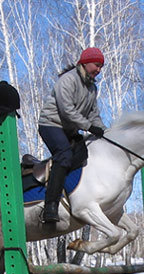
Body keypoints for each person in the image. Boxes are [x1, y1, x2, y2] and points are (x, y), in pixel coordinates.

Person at [38, 47, 107, 223]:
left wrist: (104, 132)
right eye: (96, 65)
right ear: (85, 62)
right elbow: (67, 110)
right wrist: (89, 127)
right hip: (51, 124)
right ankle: (50, 206)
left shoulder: (92, 88)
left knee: (85, 154)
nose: (98, 70)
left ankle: (69, 188)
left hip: (70, 128)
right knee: (65, 155)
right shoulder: (68, 80)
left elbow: (94, 114)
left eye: (101, 67)